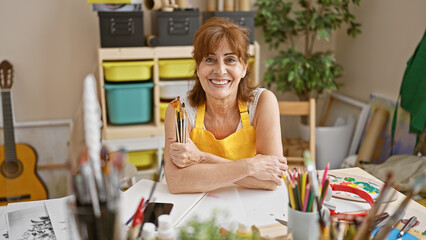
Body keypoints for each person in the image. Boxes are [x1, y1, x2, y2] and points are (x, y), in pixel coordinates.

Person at [164, 17, 288, 194]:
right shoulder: (179, 111)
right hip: (196, 207)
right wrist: (250, 167)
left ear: (244, 67)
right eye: (209, 59)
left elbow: (272, 180)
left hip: (250, 204)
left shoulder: (262, 102)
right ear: (198, 67)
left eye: (230, 60)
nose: (220, 70)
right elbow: (177, 182)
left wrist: (202, 158)